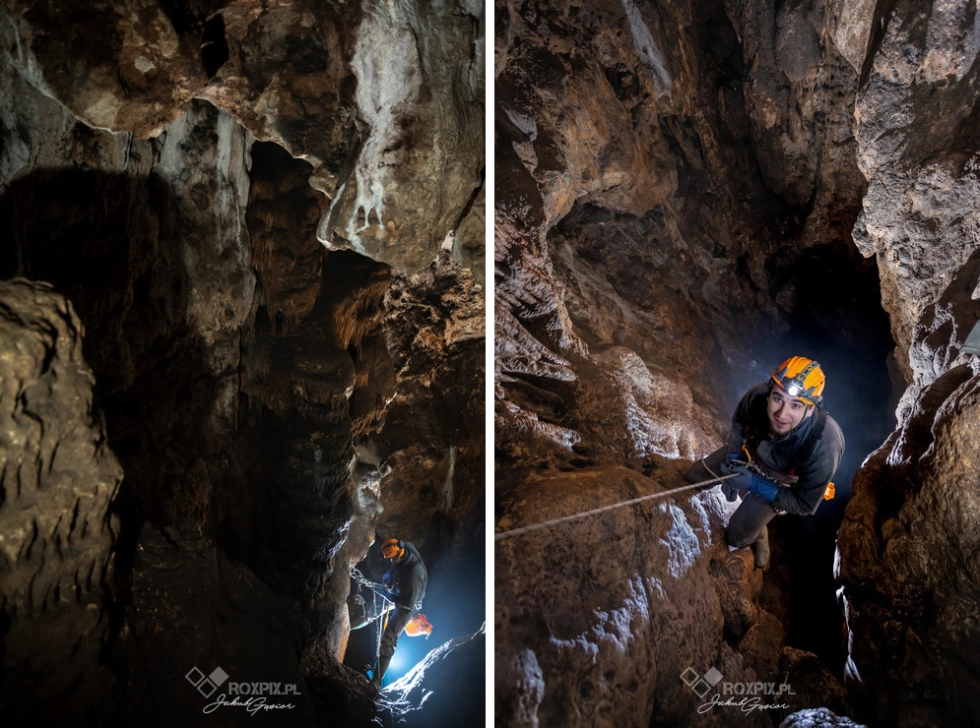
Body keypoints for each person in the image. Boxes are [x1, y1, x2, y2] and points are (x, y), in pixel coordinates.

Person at [687, 356, 845, 569]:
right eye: (778, 399)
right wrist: (734, 458)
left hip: (781, 484)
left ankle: (759, 529)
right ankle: (750, 503)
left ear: (811, 409)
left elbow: (804, 504)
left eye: (795, 406)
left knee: (735, 538)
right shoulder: (758, 395)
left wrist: (753, 484)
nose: (781, 414)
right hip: (750, 455)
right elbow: (739, 424)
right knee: (694, 477)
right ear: (770, 390)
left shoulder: (826, 443)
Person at [369, 537, 427, 690]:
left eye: (393, 560)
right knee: (381, 596)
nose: (392, 562)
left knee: (388, 639)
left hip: (409, 605)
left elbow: (404, 604)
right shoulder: (406, 546)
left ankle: (376, 681)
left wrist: (382, 591)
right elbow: (395, 568)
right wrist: (389, 578)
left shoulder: (414, 576)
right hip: (401, 588)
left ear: (399, 555)